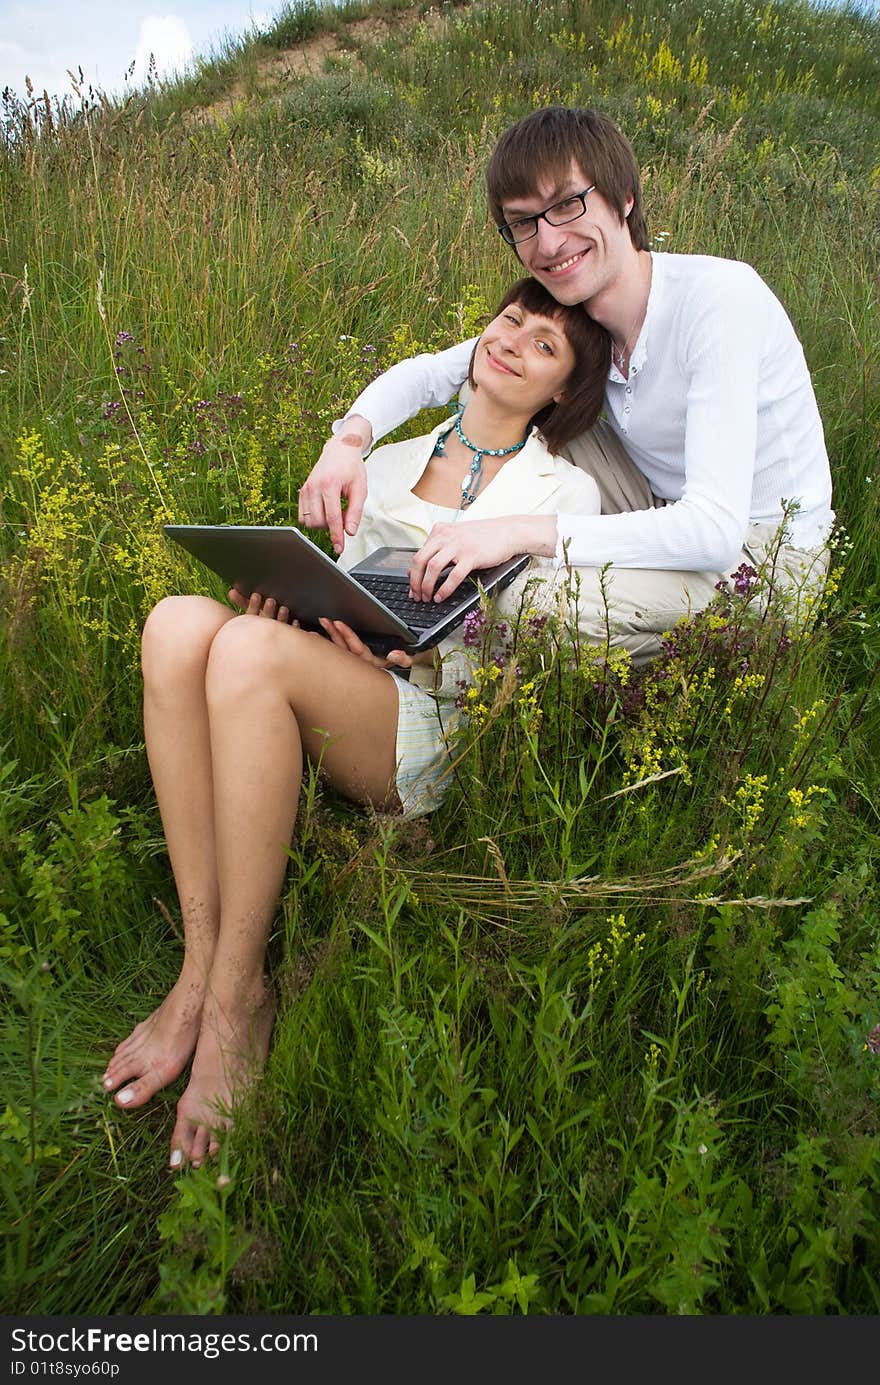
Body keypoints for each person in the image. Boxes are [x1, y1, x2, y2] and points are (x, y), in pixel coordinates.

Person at [101, 277, 607, 1170]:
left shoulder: (560, 493)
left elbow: (533, 654)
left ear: (563, 390)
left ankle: (236, 1000)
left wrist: (421, 657)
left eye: (547, 344)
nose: (517, 340)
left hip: (430, 714)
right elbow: (343, 592)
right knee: (180, 626)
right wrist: (289, 607)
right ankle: (199, 962)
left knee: (249, 653)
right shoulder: (387, 459)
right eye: (512, 321)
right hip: (340, 675)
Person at [298, 106, 834, 661]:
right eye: (523, 223)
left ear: (624, 198)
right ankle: (411, 568)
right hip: (654, 498)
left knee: (525, 600)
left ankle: (414, 655)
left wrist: (518, 533)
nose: (548, 243)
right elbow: (438, 372)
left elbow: (713, 532)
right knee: (507, 377)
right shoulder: (586, 319)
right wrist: (349, 442)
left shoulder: (718, 300)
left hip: (763, 555)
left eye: (567, 205)